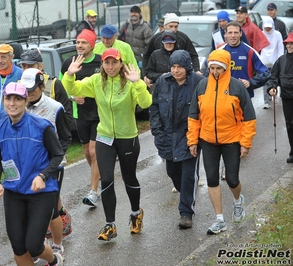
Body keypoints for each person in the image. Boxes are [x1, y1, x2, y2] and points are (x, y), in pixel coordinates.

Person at [62, 48, 152, 241]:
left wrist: (138, 84)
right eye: (107, 63)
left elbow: (145, 104)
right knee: (107, 180)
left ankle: (136, 214)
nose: (110, 67)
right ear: (102, 64)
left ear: (121, 63)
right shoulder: (96, 81)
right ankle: (110, 224)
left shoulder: (129, 82)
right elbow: (73, 90)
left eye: (114, 62)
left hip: (127, 137)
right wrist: (70, 75)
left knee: (129, 178)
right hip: (104, 137)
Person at [0, 82, 65, 266]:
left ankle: (55, 260)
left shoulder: (42, 126)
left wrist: (42, 176)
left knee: (33, 245)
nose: (12, 103)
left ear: (25, 101)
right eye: (8, 98)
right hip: (14, 193)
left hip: (41, 192)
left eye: (17, 99)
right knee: (18, 247)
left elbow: (57, 155)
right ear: (3, 100)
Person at [187, 49, 256, 235]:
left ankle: (237, 201)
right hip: (208, 140)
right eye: (212, 68)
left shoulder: (236, 87)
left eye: (219, 68)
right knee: (211, 179)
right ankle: (219, 219)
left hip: (232, 139)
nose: (215, 71)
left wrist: (245, 143)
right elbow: (193, 116)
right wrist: (193, 141)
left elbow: (249, 117)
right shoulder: (202, 86)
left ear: (226, 68)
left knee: (232, 180)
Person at [149, 50, 205, 229]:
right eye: (173, 66)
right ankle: (186, 195)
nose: (176, 70)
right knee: (173, 173)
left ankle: (186, 213)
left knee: (188, 175)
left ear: (187, 67)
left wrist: (198, 136)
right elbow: (154, 107)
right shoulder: (162, 82)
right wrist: (157, 131)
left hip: (189, 135)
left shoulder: (198, 82)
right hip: (166, 135)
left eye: (179, 67)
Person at [21, 68, 72, 257]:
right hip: (28, 167)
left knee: (50, 209)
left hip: (53, 166)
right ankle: (39, 245)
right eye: (26, 89)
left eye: (33, 88)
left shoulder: (55, 107)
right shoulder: (19, 105)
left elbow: (66, 138)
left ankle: (57, 245)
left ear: (42, 86)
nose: (30, 92)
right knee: (31, 208)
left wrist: (53, 158)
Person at [60, 29, 102, 207]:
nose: (79, 45)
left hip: (100, 114)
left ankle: (93, 191)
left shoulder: (101, 61)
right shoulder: (69, 62)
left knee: (94, 152)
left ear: (92, 45)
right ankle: (98, 173)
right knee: (87, 152)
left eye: (83, 42)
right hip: (80, 114)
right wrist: (72, 97)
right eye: (77, 42)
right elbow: (61, 87)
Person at [18, 49, 74, 134]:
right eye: (23, 66)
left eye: (30, 66)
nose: (26, 70)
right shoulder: (18, 85)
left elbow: (67, 115)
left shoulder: (54, 83)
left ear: (41, 66)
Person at [142, 13, 201, 88]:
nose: (173, 29)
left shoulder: (183, 38)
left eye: (176, 27)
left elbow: (193, 55)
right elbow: (146, 55)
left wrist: (197, 70)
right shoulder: (156, 38)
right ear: (165, 26)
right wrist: (145, 75)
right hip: (160, 80)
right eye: (171, 26)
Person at [218, 21, 270, 98]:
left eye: (236, 32)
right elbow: (209, 74)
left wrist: (250, 82)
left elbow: (266, 73)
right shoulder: (219, 52)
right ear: (225, 34)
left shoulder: (250, 51)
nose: (233, 36)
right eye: (230, 33)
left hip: (245, 96)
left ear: (241, 33)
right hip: (224, 96)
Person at [265, 32, 293, 163]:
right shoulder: (281, 60)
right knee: (290, 125)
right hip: (287, 97)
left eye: (292, 43)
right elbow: (273, 77)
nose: (289, 45)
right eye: (288, 43)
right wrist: (272, 87)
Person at [260, 16, 284, 109]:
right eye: (266, 27)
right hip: (264, 62)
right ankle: (266, 101)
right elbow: (259, 48)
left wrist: (280, 61)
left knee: (275, 80)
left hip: (275, 62)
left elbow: (280, 48)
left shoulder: (277, 34)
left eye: (269, 27)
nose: (267, 29)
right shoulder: (261, 34)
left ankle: (275, 94)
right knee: (265, 81)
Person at [118, 5, 152, 70]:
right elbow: (119, 40)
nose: (134, 14)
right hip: (126, 58)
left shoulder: (145, 27)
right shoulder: (125, 25)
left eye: (136, 12)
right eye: (132, 12)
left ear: (139, 14)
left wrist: (145, 56)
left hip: (140, 59)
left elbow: (149, 44)